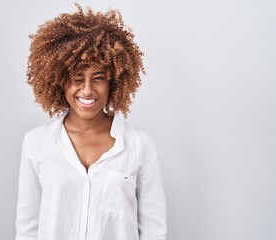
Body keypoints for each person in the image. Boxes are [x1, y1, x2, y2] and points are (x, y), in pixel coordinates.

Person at [15, 4, 167, 240]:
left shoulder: (140, 147)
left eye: (98, 78)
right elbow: (27, 229)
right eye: (77, 78)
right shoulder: (36, 143)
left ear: (114, 81)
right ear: (58, 81)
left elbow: (154, 232)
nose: (87, 90)